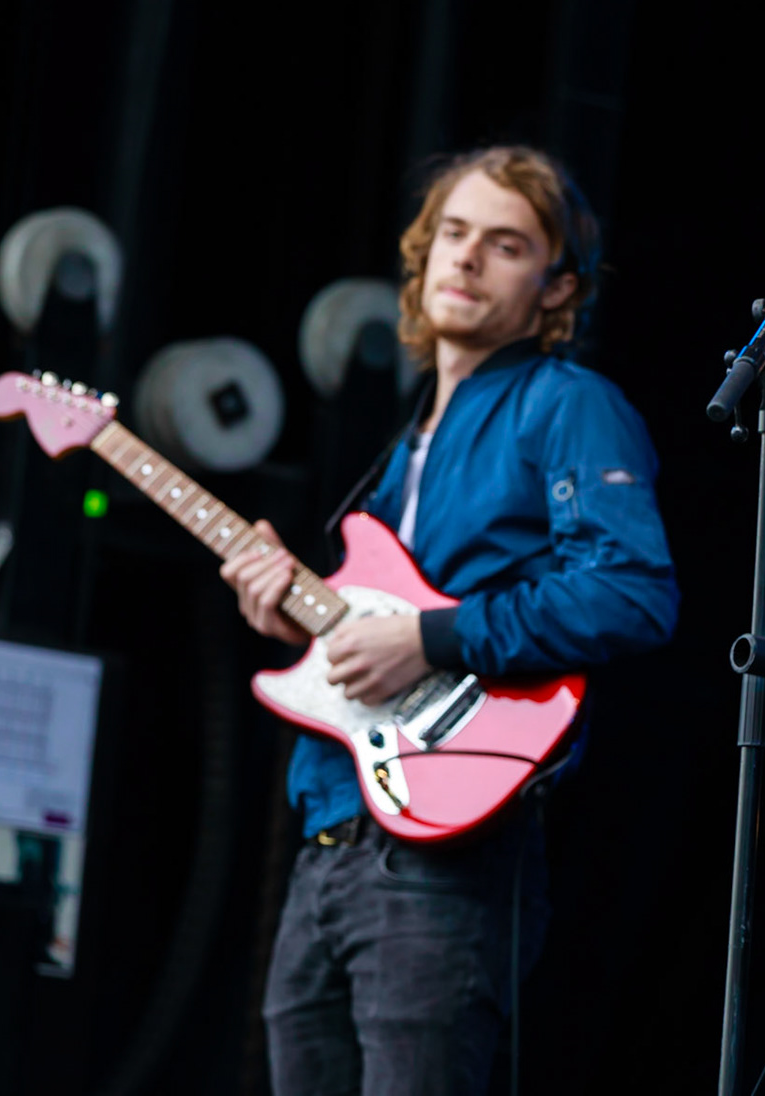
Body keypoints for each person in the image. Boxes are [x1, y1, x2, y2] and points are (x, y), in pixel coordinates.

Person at [221, 146, 679, 1095]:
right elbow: (375, 632)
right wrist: (295, 621)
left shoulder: (569, 406)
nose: (466, 260)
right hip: (333, 836)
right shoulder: (405, 444)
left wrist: (430, 637)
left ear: (556, 290)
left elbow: (633, 594)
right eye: (454, 235)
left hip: (456, 855)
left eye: (504, 245)